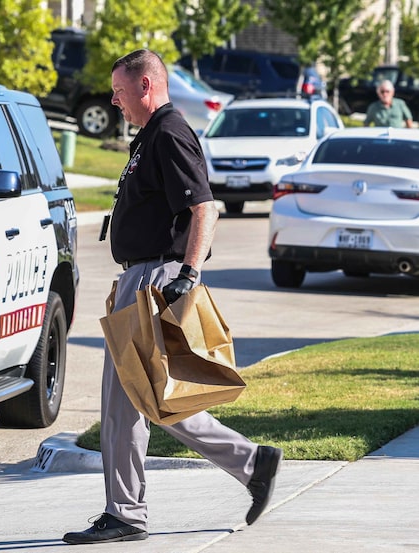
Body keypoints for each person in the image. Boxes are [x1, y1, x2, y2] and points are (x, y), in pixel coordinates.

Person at [62, 49, 283, 545]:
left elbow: (205, 206)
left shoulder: (169, 132)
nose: (114, 100)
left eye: (119, 91)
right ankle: (252, 463)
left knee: (126, 401)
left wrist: (188, 272)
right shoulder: (152, 135)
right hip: (140, 277)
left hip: (154, 278)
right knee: (153, 397)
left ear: (145, 86)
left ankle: (126, 514)